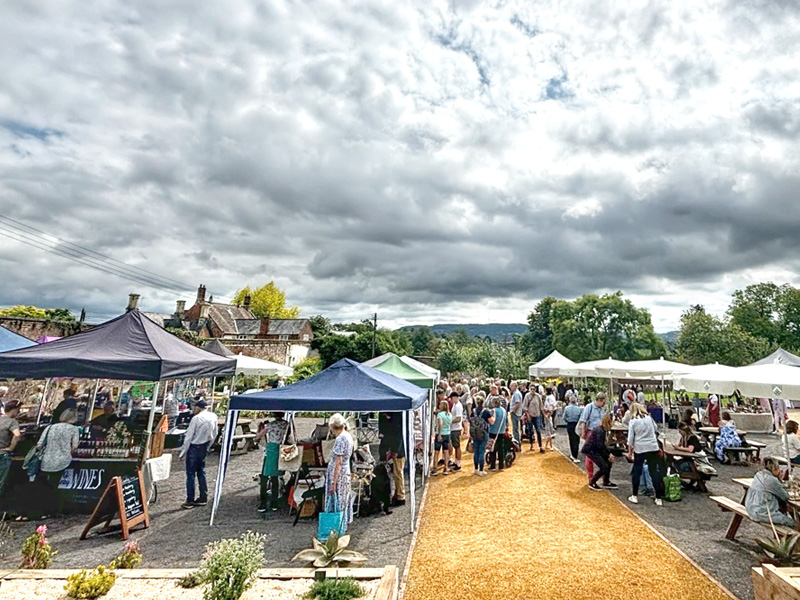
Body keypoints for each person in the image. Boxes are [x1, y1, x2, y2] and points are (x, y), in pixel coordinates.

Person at [39, 408, 80, 514]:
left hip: (47, 459)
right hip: (63, 460)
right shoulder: (73, 429)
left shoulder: (50, 427)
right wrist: (68, 451)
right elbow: (74, 446)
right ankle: (53, 509)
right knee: (55, 485)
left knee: (45, 485)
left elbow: (39, 445)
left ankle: (43, 508)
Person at [179, 399, 218, 509]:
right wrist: (209, 446)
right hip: (204, 445)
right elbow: (215, 433)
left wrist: (183, 452)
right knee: (201, 471)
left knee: (191, 474)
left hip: (194, 446)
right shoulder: (213, 416)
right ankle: (203, 497)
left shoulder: (196, 419)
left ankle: (190, 500)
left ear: (198, 408)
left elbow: (189, 436)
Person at [626, 403, 666, 506]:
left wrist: (630, 452)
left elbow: (630, 439)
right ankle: (658, 498)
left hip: (640, 448)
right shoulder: (649, 419)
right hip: (652, 447)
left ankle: (634, 496)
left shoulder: (633, 421)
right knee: (654, 472)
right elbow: (656, 430)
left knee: (637, 472)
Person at [254, 412, 292, 512]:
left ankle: (263, 503)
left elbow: (258, 437)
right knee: (275, 477)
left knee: (264, 477)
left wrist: (259, 430)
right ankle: (274, 503)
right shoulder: (286, 424)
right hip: (280, 449)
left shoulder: (270, 425)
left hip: (270, 450)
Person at [325, 413, 355, 531]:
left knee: (338, 499)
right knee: (344, 499)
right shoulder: (348, 435)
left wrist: (333, 481)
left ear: (333, 427)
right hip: (345, 471)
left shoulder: (340, 439)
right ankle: (343, 523)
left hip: (339, 474)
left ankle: (337, 525)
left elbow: (339, 462)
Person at [746, 458, 794, 527]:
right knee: (791, 522)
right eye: (778, 468)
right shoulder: (772, 480)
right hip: (762, 513)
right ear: (774, 469)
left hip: (751, 509)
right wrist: (779, 479)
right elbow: (785, 496)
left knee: (785, 508)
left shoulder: (758, 474)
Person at [581, 414, 617, 491]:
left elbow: (602, 446)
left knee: (608, 463)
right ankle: (592, 482)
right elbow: (600, 446)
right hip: (591, 450)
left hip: (594, 449)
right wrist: (608, 455)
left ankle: (606, 481)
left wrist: (608, 455)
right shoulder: (600, 431)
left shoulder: (601, 429)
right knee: (604, 467)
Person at [378, 411, 406, 505]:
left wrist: (395, 450)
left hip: (397, 450)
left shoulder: (397, 416)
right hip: (393, 448)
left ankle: (400, 496)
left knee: (398, 473)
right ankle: (398, 494)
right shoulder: (396, 415)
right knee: (396, 473)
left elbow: (398, 434)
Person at [578, 392, 607, 482]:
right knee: (590, 455)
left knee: (601, 453)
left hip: (600, 432)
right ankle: (590, 476)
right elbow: (583, 421)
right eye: (603, 402)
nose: (604, 404)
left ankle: (603, 475)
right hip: (591, 432)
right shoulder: (589, 407)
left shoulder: (602, 409)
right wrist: (583, 433)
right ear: (599, 400)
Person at [0, 400, 22, 498]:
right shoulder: (12, 422)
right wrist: (11, 448)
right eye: (18, 410)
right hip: (3, 453)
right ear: (13, 409)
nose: (19, 412)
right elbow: (17, 435)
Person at [468, 396, 490, 476]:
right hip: (483, 433)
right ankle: (481, 470)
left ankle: (476, 469)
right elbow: (491, 421)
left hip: (474, 433)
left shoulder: (473, 411)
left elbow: (470, 420)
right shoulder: (486, 411)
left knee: (476, 451)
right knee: (482, 451)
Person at [487, 397, 508, 471]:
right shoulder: (504, 410)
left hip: (493, 431)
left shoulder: (493, 411)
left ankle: (493, 466)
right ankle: (501, 466)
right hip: (501, 431)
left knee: (492, 449)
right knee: (500, 449)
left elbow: (491, 422)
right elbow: (506, 421)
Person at [432, 401, 452, 476]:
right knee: (446, 451)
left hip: (440, 434)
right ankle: (445, 468)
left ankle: (435, 468)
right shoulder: (449, 414)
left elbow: (440, 424)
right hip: (447, 434)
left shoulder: (440, 414)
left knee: (436, 452)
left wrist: (439, 434)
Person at [522, 384, 543, 452]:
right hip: (530, 415)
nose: (532, 390)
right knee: (531, 431)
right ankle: (531, 445)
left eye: (534, 389)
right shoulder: (527, 396)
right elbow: (524, 407)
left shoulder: (538, 396)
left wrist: (543, 415)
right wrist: (527, 415)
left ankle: (540, 446)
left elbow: (541, 406)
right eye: (531, 389)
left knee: (538, 430)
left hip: (537, 415)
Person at [563, 392, 583, 463]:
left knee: (571, 439)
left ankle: (573, 454)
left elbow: (564, 418)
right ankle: (575, 455)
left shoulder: (567, 408)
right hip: (576, 424)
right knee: (576, 440)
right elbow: (581, 417)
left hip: (569, 424)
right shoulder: (579, 409)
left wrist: (568, 420)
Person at [448, 391, 463, 471]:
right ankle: (456, 461)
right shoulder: (455, 405)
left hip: (456, 428)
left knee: (457, 446)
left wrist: (449, 421)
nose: (451, 399)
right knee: (455, 446)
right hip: (454, 428)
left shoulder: (458, 406)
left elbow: (458, 419)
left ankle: (458, 463)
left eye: (452, 398)